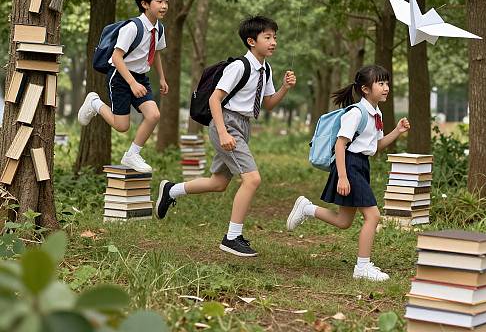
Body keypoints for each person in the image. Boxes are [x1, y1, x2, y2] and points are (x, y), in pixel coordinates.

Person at [156, 16, 296, 257]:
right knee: (252, 179)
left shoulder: (266, 69)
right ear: (252, 41)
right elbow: (214, 99)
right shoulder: (240, 66)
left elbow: (269, 104)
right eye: (268, 37)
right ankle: (232, 237)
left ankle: (171, 190)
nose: (274, 42)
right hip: (226, 122)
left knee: (218, 183)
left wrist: (284, 87)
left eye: (275, 37)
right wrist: (222, 132)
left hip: (243, 125)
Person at [286, 65, 410, 281]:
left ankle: (307, 208)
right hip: (349, 165)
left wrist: (397, 132)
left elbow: (376, 146)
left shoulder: (376, 113)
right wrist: (343, 176)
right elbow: (340, 145)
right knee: (373, 215)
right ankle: (362, 268)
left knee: (344, 221)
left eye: (387, 83)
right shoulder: (356, 113)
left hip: (361, 165)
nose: (386, 87)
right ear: (365, 89)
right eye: (380, 83)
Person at [77, 0, 169, 172]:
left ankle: (132, 155)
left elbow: (157, 53)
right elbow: (116, 57)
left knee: (153, 115)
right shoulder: (133, 27)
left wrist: (161, 78)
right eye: (159, 1)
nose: (164, 6)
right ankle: (95, 102)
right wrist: (132, 83)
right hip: (120, 76)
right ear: (145, 4)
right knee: (122, 126)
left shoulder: (159, 29)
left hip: (140, 77)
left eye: (166, 2)